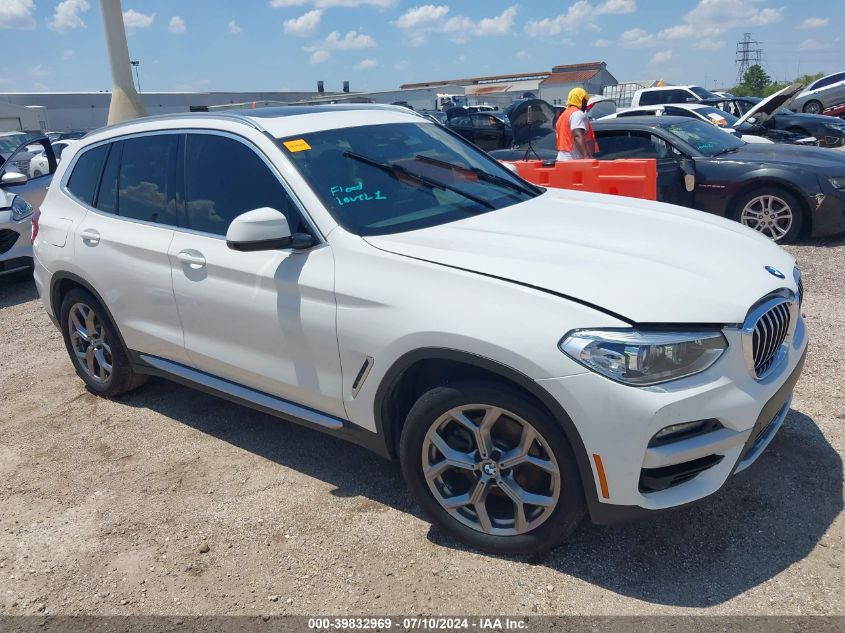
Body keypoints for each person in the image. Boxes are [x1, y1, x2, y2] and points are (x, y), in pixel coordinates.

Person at [555, 87, 599, 161]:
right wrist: (586, 156)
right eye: (585, 100)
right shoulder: (577, 114)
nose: (586, 103)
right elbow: (577, 136)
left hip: (562, 159)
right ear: (580, 99)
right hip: (574, 160)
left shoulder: (563, 115)